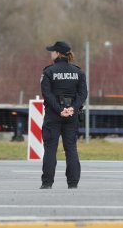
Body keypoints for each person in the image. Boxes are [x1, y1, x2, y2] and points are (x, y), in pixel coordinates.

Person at [39, 40, 87, 189]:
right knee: (71, 149)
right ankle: (73, 184)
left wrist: (59, 109)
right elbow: (83, 94)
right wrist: (72, 108)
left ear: (58, 53)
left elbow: (47, 94)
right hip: (72, 116)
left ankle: (47, 183)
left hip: (53, 116)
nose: (51, 54)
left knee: (50, 149)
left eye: (52, 51)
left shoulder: (49, 72)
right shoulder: (78, 72)